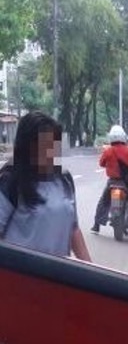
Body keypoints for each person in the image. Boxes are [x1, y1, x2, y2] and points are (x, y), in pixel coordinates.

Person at [0, 111, 91, 261]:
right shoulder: (10, 181)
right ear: (27, 147)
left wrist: (91, 272)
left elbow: (73, 229)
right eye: (43, 145)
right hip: (20, 278)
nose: (50, 152)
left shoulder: (65, 179)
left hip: (58, 276)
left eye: (53, 144)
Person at [92, 125, 128, 239]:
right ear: (124, 137)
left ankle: (96, 225)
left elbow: (101, 164)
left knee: (103, 202)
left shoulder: (108, 151)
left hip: (112, 183)